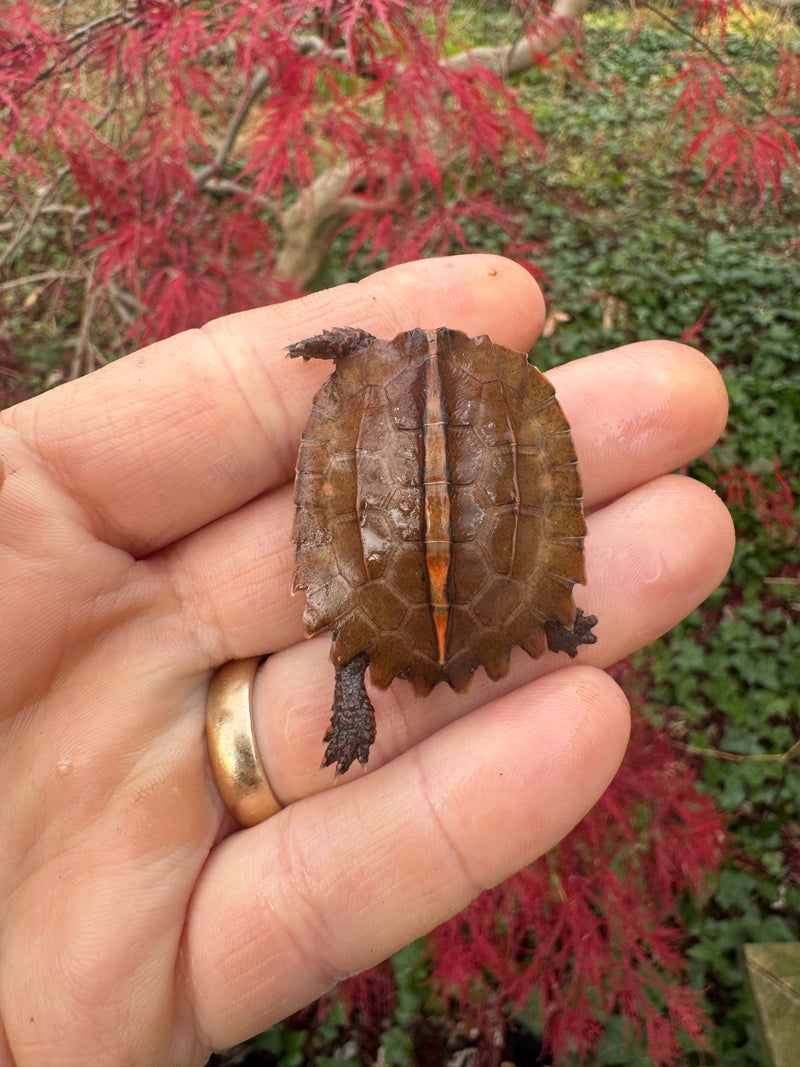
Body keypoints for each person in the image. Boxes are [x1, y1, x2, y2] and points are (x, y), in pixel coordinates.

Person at [0, 255, 734, 1066]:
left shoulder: (447, 382)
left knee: (367, 621)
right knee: (401, 614)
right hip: (457, 573)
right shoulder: (508, 385)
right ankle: (535, 629)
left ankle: (503, 638)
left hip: (435, 572)